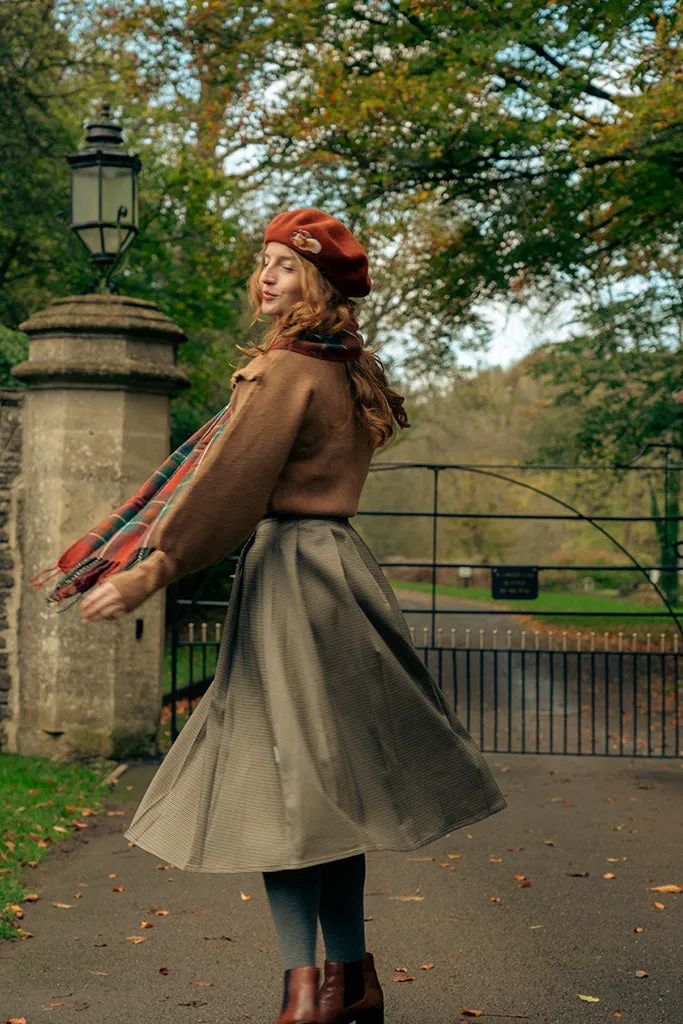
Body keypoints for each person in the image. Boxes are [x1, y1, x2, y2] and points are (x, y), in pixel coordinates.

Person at [79, 208, 508, 1024]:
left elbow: (229, 488)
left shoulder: (282, 371)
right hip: (343, 574)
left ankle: (301, 993)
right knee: (326, 788)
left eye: (283, 264)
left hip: (287, 578)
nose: (265, 275)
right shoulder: (350, 368)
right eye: (264, 261)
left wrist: (152, 570)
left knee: (278, 793)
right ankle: (351, 980)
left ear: (316, 282)